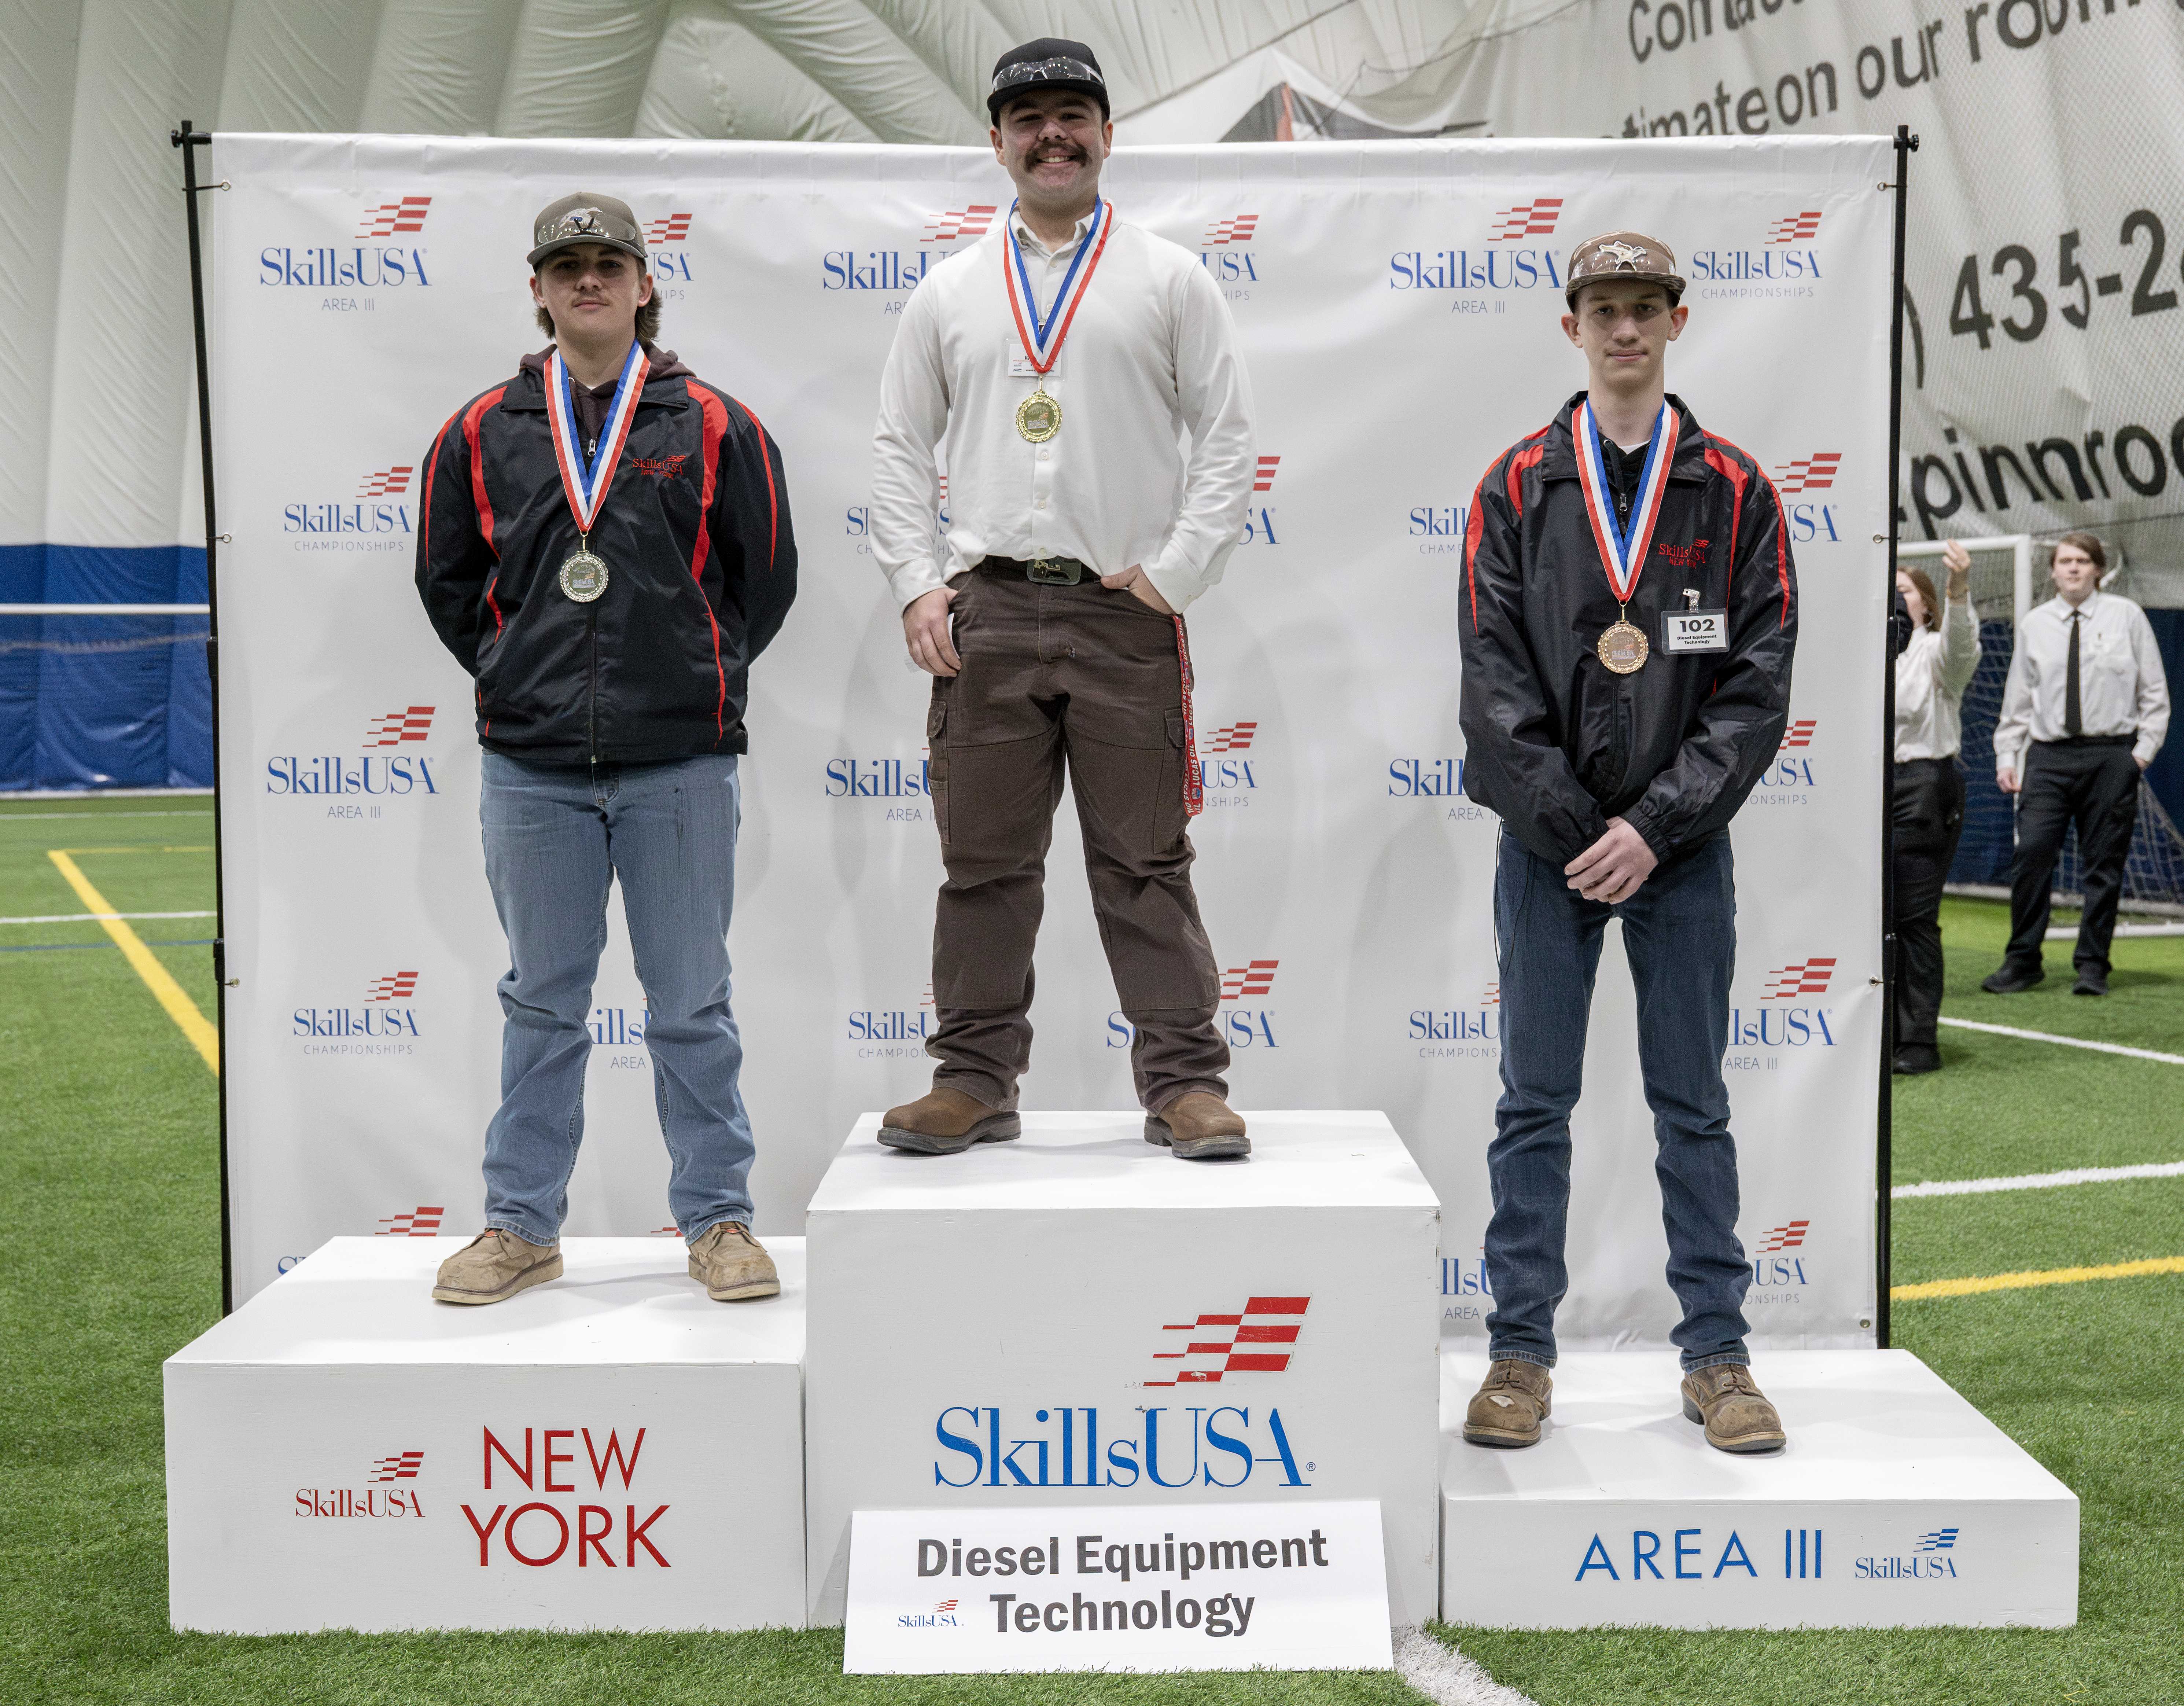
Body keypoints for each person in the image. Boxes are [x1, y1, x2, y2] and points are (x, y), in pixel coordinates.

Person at [867, 38, 1257, 1163]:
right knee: (982, 863)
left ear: (1106, 133)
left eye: (1072, 114)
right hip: (987, 612)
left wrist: (1177, 574)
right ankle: (975, 1080)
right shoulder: (949, 291)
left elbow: (1226, 441)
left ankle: (1183, 1083)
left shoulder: (1169, 278)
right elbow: (900, 447)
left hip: (1122, 609)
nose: (1052, 135)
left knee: (1145, 861)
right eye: (1028, 117)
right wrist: (915, 586)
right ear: (996, 141)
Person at [414, 192, 798, 1304]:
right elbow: (449, 587)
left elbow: (761, 581)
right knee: (542, 999)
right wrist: (515, 676)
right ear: (537, 290)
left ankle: (718, 1218)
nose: (588, 280)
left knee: (690, 1000)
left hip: (679, 760)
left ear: (643, 284)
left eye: (608, 263)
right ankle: (522, 1225)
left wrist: (687, 676)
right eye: (565, 264)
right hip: (531, 765)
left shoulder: (715, 424)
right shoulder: (481, 431)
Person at [1456, 232, 1797, 1455]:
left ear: (1674, 321)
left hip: (1680, 852)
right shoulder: (1512, 487)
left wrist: (1649, 828)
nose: (1622, 330)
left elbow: (1755, 690)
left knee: (1690, 1105)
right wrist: (1575, 830)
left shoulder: (1737, 491)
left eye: (1643, 308)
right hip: (1545, 850)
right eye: (1601, 309)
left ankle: (1715, 1356)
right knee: (1530, 1105)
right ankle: (1514, 1356)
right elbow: (1489, 682)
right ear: (1569, 326)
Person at [1984, 532, 2170, 996]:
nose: (2072, 568)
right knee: (2031, 855)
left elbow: (2154, 693)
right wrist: (2008, 753)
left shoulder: (2126, 617)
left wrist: (2139, 755)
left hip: (2110, 756)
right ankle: (2023, 960)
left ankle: (2092, 965)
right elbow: (2018, 698)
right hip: (2047, 756)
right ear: (2052, 571)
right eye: (2064, 561)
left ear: (2097, 570)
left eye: (2082, 561)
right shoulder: (2035, 624)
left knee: (2103, 864)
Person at [1892, 543, 1982, 1073]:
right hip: (1867, 790)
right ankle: (1879, 1034)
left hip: (1922, 787)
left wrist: (1958, 588)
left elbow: (1962, 646)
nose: (1891, 600)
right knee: (1873, 920)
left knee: (1913, 918)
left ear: (1924, 605)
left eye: (1901, 592)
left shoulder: (1935, 654)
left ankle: (1918, 1040)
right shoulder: (1866, 657)